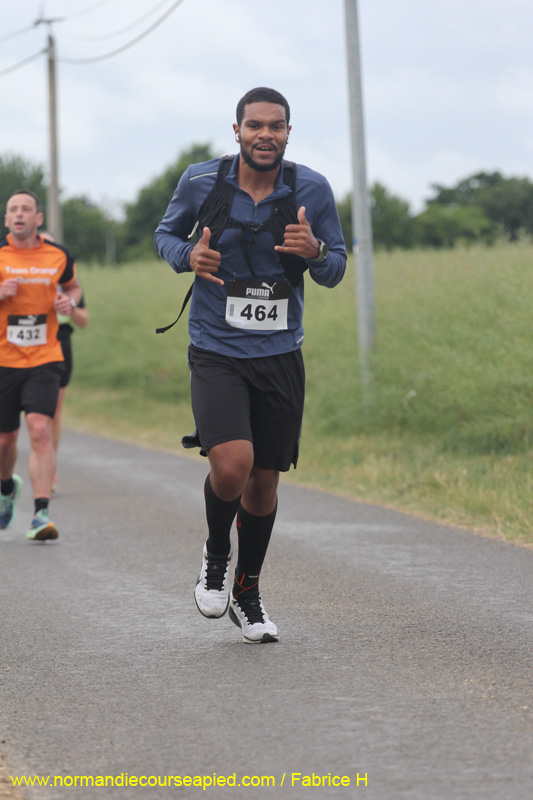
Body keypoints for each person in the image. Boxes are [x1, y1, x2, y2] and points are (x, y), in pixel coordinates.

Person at [155, 87, 346, 643]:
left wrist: (314, 252)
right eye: (255, 125)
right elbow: (165, 235)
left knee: (264, 480)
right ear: (236, 130)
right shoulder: (200, 181)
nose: (266, 134)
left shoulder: (312, 188)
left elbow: (336, 267)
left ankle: (247, 590)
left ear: (288, 133)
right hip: (216, 348)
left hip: (280, 353)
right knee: (233, 465)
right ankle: (216, 557)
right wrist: (188, 256)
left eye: (276, 126)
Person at [0, 191, 81, 541]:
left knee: (40, 429)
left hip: (45, 356)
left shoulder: (58, 255)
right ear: (7, 219)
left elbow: (73, 288)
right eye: (13, 209)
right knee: (5, 441)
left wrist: (69, 302)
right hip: (4, 359)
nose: (19, 214)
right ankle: (6, 488)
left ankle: (40, 513)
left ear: (38, 218)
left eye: (26, 209)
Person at [40, 232, 90, 493]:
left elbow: (84, 320)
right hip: (23, 347)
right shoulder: (19, 275)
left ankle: (50, 468)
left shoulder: (67, 282)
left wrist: (69, 308)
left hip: (60, 344)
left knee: (53, 413)